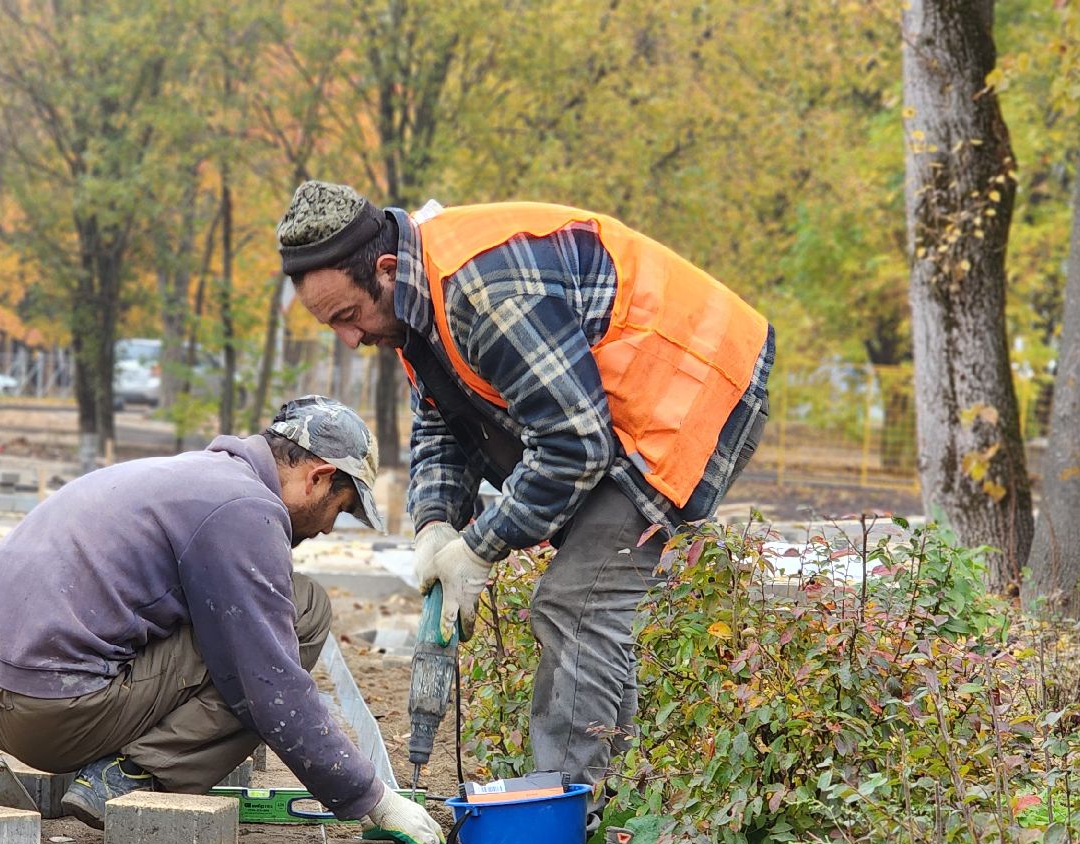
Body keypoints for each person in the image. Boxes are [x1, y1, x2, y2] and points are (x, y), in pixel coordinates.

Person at [276, 180, 774, 799]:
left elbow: (575, 444)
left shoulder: (485, 294)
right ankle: (616, 799)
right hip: (608, 412)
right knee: (586, 609)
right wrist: (435, 523)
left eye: (349, 317)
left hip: (693, 382)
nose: (351, 339)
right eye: (332, 326)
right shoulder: (415, 303)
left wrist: (480, 546)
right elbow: (444, 417)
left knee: (575, 603)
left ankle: (563, 814)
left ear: (385, 269)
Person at [0, 396, 443, 844]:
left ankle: (128, 761)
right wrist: (371, 797)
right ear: (318, 477)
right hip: (48, 711)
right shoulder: (245, 509)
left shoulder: (195, 476)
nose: (330, 527)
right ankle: (134, 775)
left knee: (246, 625)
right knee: (303, 609)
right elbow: (271, 685)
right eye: (341, 507)